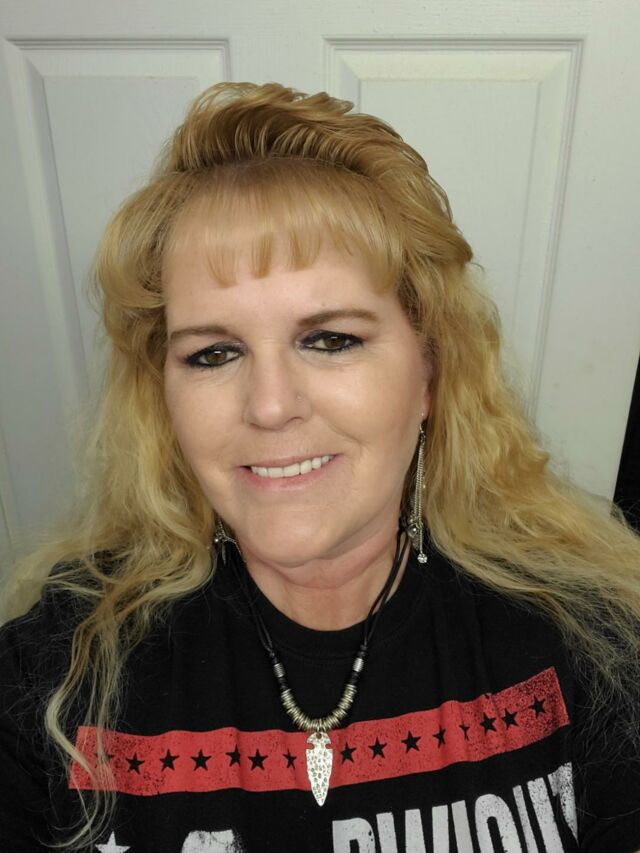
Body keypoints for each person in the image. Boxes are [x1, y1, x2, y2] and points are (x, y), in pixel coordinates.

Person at [1, 81, 639, 853]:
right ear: (163, 395)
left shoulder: (595, 645)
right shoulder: (54, 675)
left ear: (430, 371)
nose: (271, 406)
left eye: (330, 339)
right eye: (214, 352)